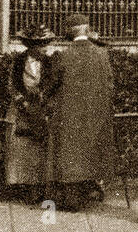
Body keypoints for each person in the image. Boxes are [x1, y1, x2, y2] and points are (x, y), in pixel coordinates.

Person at [41, 13, 116, 211]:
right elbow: (110, 86)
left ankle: (71, 199)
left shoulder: (63, 55)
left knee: (69, 155)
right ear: (87, 29)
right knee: (90, 153)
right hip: (96, 116)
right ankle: (90, 190)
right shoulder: (102, 54)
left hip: (69, 116)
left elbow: (50, 87)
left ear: (69, 31)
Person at [5, 25, 55, 189]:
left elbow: (51, 85)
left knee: (39, 145)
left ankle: (38, 184)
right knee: (20, 145)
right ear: (31, 46)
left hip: (40, 107)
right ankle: (22, 185)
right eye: (40, 45)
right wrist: (22, 101)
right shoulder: (19, 61)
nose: (44, 48)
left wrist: (42, 97)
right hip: (21, 107)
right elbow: (12, 85)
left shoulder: (49, 62)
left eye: (45, 44)